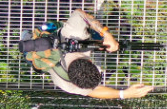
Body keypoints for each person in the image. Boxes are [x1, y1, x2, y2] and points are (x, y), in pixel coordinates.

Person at [24, 9, 154, 100]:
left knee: (43, 33)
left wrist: (106, 34)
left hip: (51, 45)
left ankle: (29, 35)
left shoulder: (74, 34)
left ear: (91, 61)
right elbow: (92, 91)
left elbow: (79, 13)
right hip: (46, 56)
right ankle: (27, 37)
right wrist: (124, 94)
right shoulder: (66, 83)